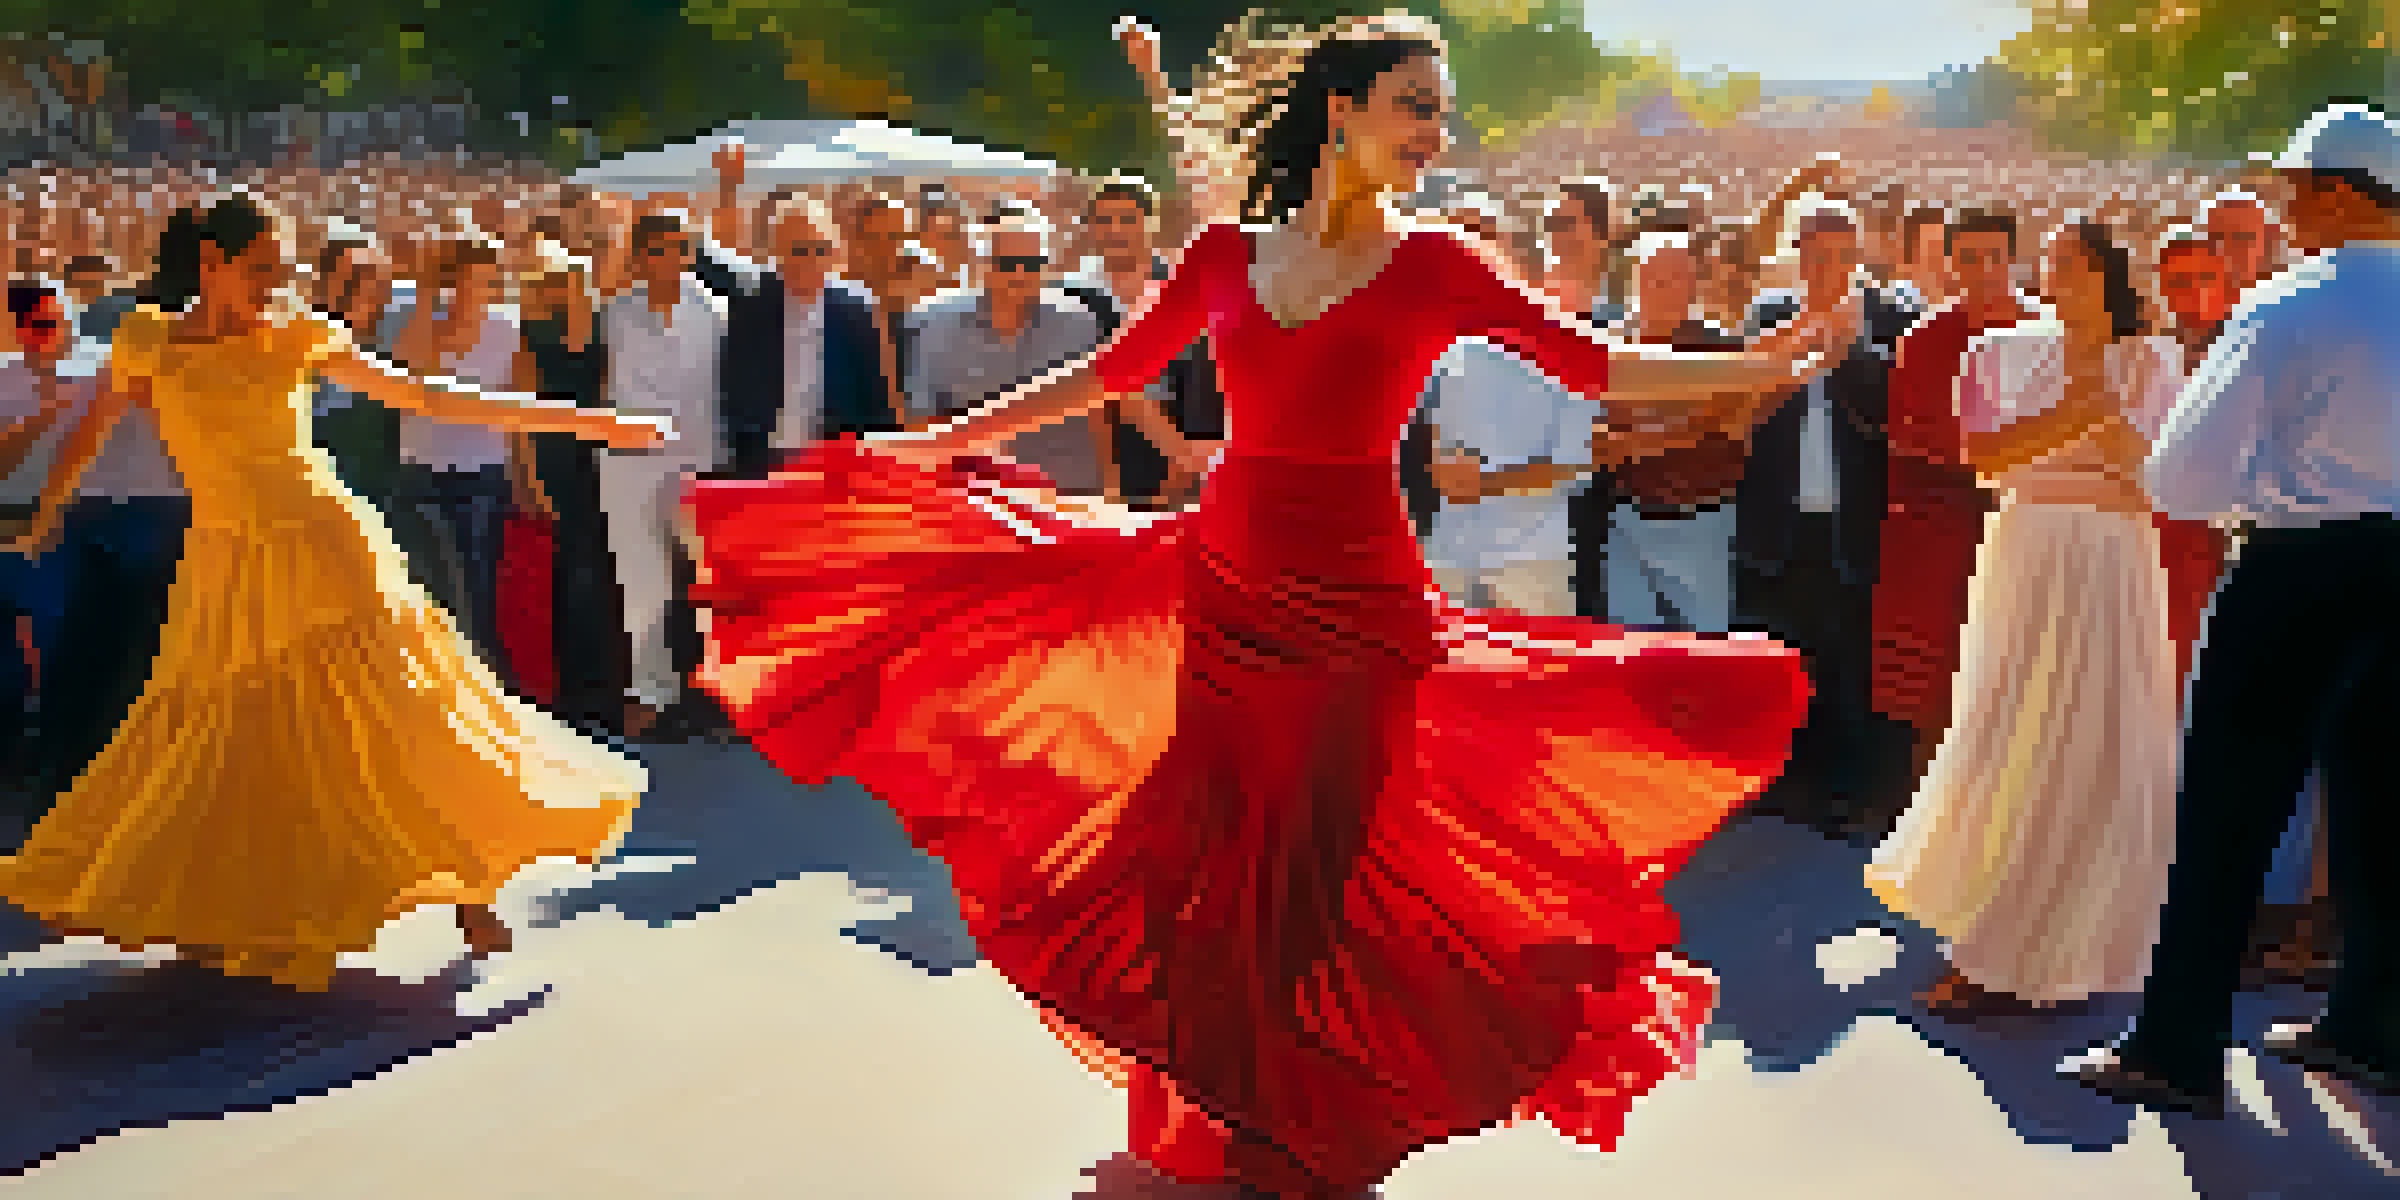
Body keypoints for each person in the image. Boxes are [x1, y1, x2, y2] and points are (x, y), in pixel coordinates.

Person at [684, 15, 1844, 1196]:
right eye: (1415, 105)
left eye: (1441, 111)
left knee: (1320, 873)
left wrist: (1761, 366)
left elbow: (1593, 365)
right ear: (1341, 111)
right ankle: (1233, 1119)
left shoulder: (1439, 260)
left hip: (1358, 612)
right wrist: (944, 440)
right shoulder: (1228, 256)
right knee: (1209, 871)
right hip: (1228, 589)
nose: (1435, 134)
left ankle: (1299, 1127)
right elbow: (1109, 370)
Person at [0, 191, 664, 992]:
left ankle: (469, 887)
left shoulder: (299, 334)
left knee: (406, 711)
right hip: (223, 563)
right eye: (258, 271)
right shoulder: (147, 340)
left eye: (282, 272)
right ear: (210, 264)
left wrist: (592, 423)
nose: (273, 288)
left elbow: (429, 397)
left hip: (326, 547)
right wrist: (44, 518)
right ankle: (214, 902)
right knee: (226, 739)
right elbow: (93, 428)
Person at [2066, 102, 2400, 1116]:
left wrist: (2268, 479)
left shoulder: (2286, 305)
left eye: (2294, 187)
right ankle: (2370, 1024)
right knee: (2387, 809)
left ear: (2337, 193)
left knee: (2224, 815)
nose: (2283, 203)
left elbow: (2183, 479)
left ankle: (2177, 1046)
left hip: (2297, 571)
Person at [1868, 221, 2186, 1017]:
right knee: (2014, 731)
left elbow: (2158, 485)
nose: (2055, 272)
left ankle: (2082, 943)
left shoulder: (2156, 360)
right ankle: (1992, 941)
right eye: (2053, 261)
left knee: (2098, 741)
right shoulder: (2001, 353)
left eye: (2072, 262)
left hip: (2113, 563)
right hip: (2025, 559)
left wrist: (2075, 443)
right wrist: (2088, 423)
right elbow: (1985, 460)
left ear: (2109, 274)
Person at [1736, 199, 1925, 843]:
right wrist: (1792, 349)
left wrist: (1848, 349)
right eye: (1815, 256)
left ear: (1859, 255)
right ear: (1797, 255)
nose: (1828, 268)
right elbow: (1746, 404)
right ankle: (1789, 787)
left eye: (1840, 256)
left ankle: (1851, 795)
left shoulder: (1892, 318)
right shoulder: (1769, 316)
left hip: (1853, 526)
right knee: (1786, 659)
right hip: (1779, 526)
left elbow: (1894, 411)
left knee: (1851, 666)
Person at [1870, 209, 2037, 777]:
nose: (1983, 271)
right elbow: (1923, 435)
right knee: (1939, 689)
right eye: (1969, 258)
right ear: (1951, 265)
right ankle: (1929, 811)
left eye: (1994, 257)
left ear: (2015, 259)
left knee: (2028, 677)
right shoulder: (1923, 341)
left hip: (2034, 530)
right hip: (1946, 532)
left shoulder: (2051, 333)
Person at [597, 211, 727, 742]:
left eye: (679, 246)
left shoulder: (716, 310)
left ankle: (718, 694)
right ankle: (651, 694)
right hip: (628, 462)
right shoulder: (611, 310)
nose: (668, 257)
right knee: (640, 585)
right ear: (639, 255)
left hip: (696, 461)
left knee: (709, 584)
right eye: (656, 248)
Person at [699, 146, 898, 476]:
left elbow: (877, 402)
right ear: (775, 254)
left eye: (819, 249)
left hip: (838, 467)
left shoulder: (858, 312)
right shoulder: (749, 306)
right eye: (798, 250)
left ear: (834, 253)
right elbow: (703, 256)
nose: (809, 260)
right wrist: (728, 188)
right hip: (764, 466)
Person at [385, 234, 521, 679]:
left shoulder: (507, 327)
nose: (477, 288)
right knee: (424, 591)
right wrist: (426, 297)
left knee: (476, 591)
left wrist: (525, 477)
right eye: (467, 278)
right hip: (421, 472)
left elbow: (520, 404)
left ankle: (479, 691)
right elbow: (416, 373)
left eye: (486, 279)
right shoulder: (417, 320)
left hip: (482, 472)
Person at [1603, 229, 1750, 633]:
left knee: (1706, 648)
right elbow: (1597, 439)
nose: (1660, 291)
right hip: (1630, 522)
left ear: (1692, 287)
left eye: (1672, 280)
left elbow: (1734, 422)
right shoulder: (1613, 347)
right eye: (1650, 280)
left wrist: (1644, 439)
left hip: (1704, 525)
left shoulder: (1722, 351)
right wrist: (1685, 429)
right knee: (1633, 652)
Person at [902, 209, 1104, 494]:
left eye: (1031, 263)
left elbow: (1099, 413)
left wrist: (1111, 486)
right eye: (1008, 263)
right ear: (981, 266)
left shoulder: (1079, 323)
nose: (1020, 273)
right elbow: (921, 419)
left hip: (1064, 493)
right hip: (975, 497)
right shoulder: (935, 326)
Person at [515, 245, 630, 734]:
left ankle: (600, 694)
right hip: (552, 465)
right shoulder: (532, 338)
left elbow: (607, 401)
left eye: (572, 278)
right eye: (556, 281)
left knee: (598, 578)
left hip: (595, 466)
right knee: (561, 580)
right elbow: (519, 419)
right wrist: (532, 479)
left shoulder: (606, 333)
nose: (565, 288)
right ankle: (567, 697)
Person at [1063, 175, 1225, 510]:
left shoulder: (1182, 289)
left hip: (1180, 444)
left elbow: (1206, 381)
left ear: (1151, 224)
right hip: (1099, 446)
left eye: (1128, 219)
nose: (1116, 230)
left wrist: (1183, 469)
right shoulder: (1069, 296)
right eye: (1105, 220)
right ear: (1091, 228)